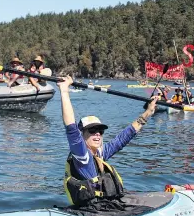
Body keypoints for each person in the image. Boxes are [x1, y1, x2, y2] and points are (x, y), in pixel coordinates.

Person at [57, 75, 158, 209]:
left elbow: (123, 138)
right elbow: (71, 128)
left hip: (104, 205)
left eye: (100, 130)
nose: (97, 133)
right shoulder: (82, 156)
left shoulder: (99, 153)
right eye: (92, 130)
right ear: (82, 135)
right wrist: (64, 91)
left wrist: (148, 113)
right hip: (93, 210)